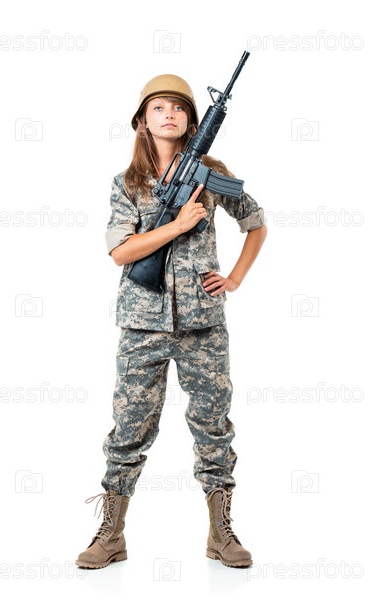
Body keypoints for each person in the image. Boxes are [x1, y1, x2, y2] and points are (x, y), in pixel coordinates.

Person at [76, 73, 267, 570]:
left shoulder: (211, 173)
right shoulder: (127, 183)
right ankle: (111, 534)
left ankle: (221, 533)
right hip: (142, 325)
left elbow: (256, 222)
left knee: (213, 427)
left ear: (192, 122)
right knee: (129, 428)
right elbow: (120, 252)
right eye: (158, 108)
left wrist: (235, 278)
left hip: (204, 324)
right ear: (142, 121)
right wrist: (177, 225)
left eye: (179, 108)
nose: (169, 115)